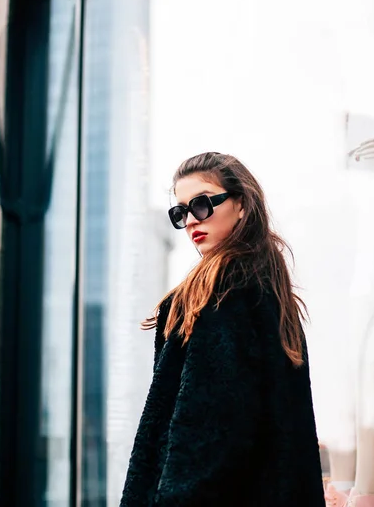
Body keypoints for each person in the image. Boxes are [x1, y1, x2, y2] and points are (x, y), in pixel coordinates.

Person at [120, 152, 325, 506]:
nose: (189, 222)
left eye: (201, 204)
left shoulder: (226, 295)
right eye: (180, 212)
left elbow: (208, 431)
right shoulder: (265, 291)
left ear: (242, 204)